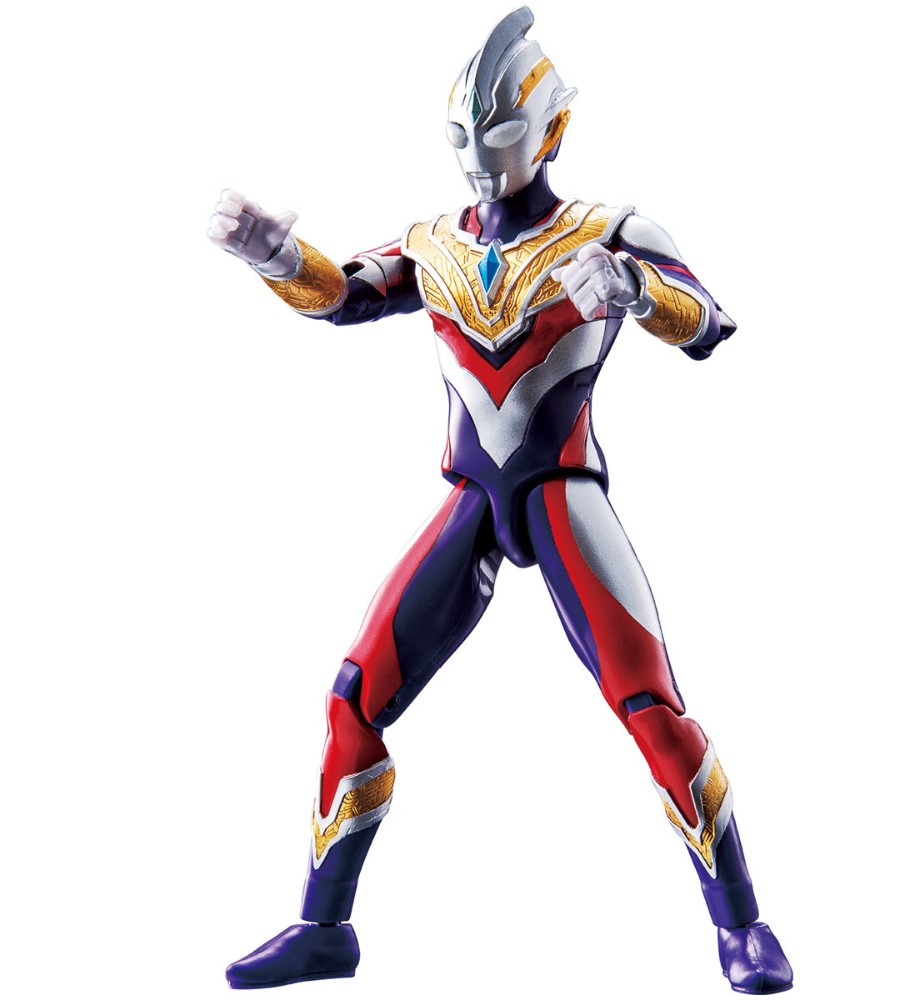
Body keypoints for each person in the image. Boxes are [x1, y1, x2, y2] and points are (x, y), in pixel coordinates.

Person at [208, 7, 792, 994]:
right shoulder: (435, 244)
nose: (481, 157)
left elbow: (709, 322)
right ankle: (322, 926)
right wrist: (276, 256)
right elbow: (347, 293)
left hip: (563, 495)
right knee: (353, 697)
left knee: (650, 707)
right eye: (462, 135)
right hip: (472, 499)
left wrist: (635, 291)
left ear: (551, 127)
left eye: (505, 131)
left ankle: (744, 925)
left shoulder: (606, 232)